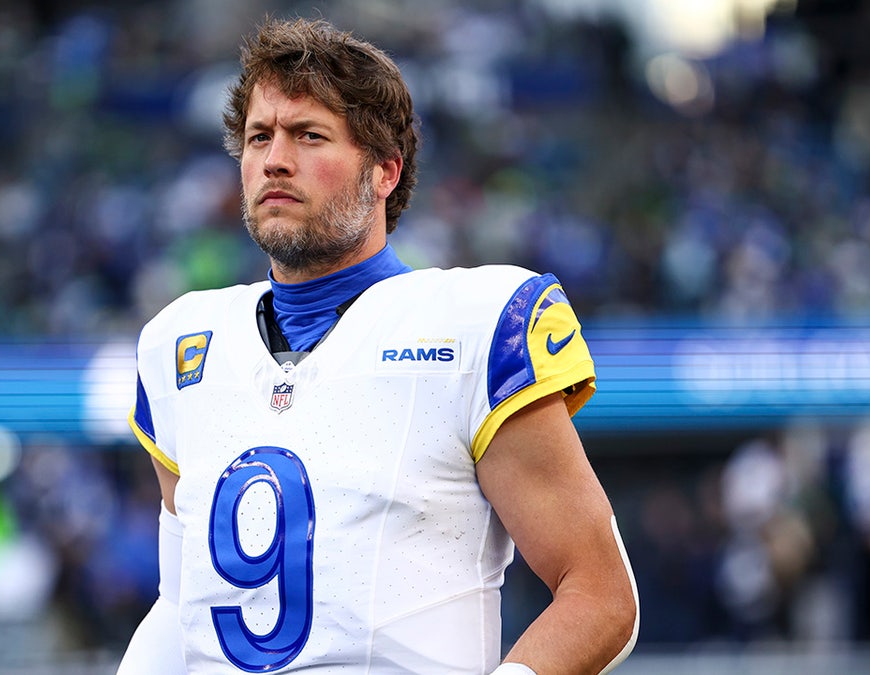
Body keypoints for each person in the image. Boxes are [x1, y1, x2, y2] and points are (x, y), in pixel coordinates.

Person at [118, 17, 638, 675]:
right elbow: (180, 605)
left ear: (385, 171)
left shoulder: (474, 323)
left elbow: (599, 593)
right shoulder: (181, 341)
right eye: (259, 136)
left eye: (309, 135)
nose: (275, 159)